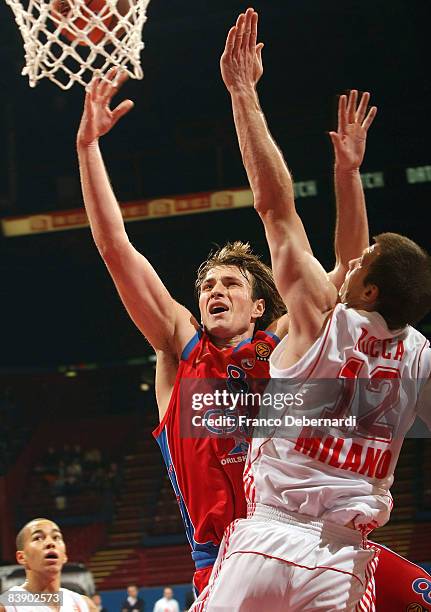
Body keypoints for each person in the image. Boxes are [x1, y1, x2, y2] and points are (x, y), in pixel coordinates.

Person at [76, 61, 365, 597]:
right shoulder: (178, 350)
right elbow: (116, 249)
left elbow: (346, 274)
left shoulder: (281, 344)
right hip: (222, 565)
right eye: (206, 284)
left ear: (258, 307)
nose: (213, 291)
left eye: (229, 283)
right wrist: (88, 148)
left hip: (299, 548)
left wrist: (347, 178)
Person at [192, 8, 431, 611]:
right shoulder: (419, 354)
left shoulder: (322, 318)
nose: (353, 262)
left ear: (369, 290)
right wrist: (348, 174)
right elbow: (352, 259)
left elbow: (276, 208)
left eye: (365, 263)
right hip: (342, 560)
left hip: (267, 541)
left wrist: (243, 94)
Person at [0, 518, 96, 612]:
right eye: (38, 538)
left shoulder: (84, 606)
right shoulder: (7, 606)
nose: (50, 543)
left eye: (56, 537)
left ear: (64, 556)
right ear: (22, 557)